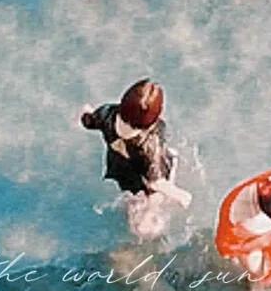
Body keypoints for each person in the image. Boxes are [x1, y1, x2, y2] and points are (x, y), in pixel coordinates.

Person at [80, 79, 192, 241]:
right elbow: (155, 182)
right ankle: (149, 214)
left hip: (120, 165)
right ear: (151, 122)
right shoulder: (149, 144)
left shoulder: (107, 113)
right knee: (153, 200)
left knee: (130, 189)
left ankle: (133, 204)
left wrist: (86, 113)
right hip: (148, 168)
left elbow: (89, 121)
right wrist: (181, 195)